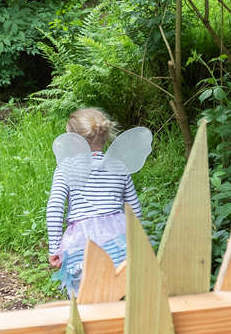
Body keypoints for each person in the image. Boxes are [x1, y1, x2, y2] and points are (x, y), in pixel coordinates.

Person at [46, 108, 152, 296]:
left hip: (82, 244)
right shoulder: (119, 166)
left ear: (74, 140)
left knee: (85, 295)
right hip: (119, 241)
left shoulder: (66, 168)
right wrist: (138, 241)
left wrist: (55, 247)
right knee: (121, 291)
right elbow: (134, 209)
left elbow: (55, 207)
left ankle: (89, 323)